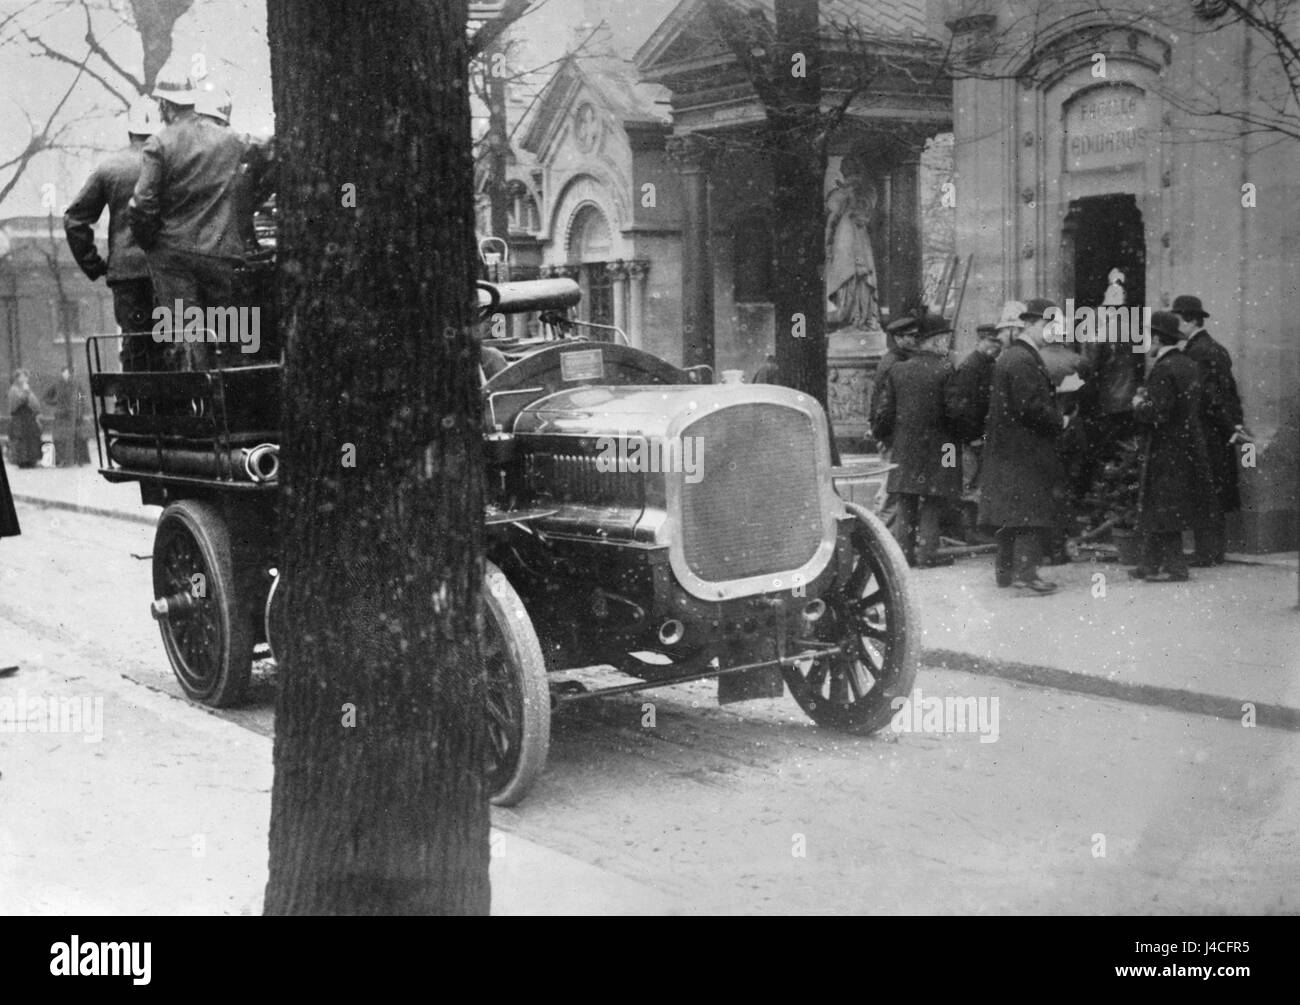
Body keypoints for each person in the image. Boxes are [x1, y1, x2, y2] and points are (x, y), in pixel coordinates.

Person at [130, 65, 249, 370]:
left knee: (187, 331)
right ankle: (236, 400)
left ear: (165, 105)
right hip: (221, 252)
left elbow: (142, 204)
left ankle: (199, 404)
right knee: (232, 330)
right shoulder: (231, 140)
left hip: (174, 257)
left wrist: (152, 243)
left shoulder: (159, 144)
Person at [64, 97, 163, 374]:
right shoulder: (171, 166)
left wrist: (94, 264)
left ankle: (132, 407)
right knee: (169, 343)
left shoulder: (110, 168)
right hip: (167, 270)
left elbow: (75, 220)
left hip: (127, 274)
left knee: (135, 345)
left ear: (130, 130)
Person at [978, 298, 1069, 594]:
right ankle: (1026, 575)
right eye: (1048, 326)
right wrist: (1060, 420)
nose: (1052, 332)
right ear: (1031, 324)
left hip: (1009, 450)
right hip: (1024, 451)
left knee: (1010, 515)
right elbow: (1030, 408)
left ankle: (1006, 573)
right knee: (1028, 514)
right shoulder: (1023, 359)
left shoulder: (1014, 356)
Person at [1128, 310, 1215, 582]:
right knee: (1162, 505)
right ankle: (1149, 565)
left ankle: (1176, 567)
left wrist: (1139, 405)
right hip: (1186, 444)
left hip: (1166, 447)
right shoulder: (1188, 363)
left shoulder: (1164, 368)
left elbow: (1158, 413)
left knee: (1163, 505)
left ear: (1156, 338)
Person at [872, 314, 961, 567]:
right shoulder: (945, 369)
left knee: (906, 501)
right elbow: (955, 413)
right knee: (934, 499)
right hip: (940, 447)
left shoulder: (898, 370)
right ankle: (927, 554)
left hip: (905, 447)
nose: (947, 343)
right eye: (944, 338)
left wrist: (887, 438)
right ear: (933, 341)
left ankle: (904, 556)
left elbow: (884, 413)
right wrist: (960, 436)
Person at [1173, 294, 1244, 565]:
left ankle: (1207, 553)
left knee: (1206, 491)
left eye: (1177, 320)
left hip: (1206, 432)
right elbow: (1229, 394)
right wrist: (1234, 426)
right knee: (1212, 490)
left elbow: (1211, 397)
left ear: (1190, 321)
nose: (1174, 326)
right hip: (1217, 432)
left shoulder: (1198, 351)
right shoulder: (1213, 347)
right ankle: (1211, 551)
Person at [43, 366, 90, 467]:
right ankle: (62, 460)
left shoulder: (77, 383)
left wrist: (81, 410)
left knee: (75, 437)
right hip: (61, 415)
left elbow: (82, 397)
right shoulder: (57, 384)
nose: (66, 374)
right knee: (60, 438)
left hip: (74, 415)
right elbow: (46, 397)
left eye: (68, 372)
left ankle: (75, 460)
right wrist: (55, 402)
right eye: (64, 372)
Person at [7, 371, 44, 469]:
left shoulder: (26, 388)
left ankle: (31, 460)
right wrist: (26, 392)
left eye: (26, 377)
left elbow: (34, 402)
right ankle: (23, 461)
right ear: (17, 378)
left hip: (29, 419)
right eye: (22, 377)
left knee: (32, 439)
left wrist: (37, 412)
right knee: (22, 440)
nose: (25, 379)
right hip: (20, 419)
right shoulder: (14, 389)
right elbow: (18, 402)